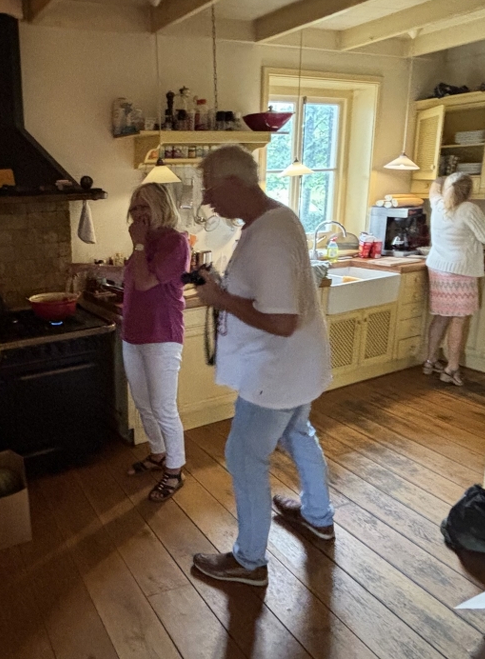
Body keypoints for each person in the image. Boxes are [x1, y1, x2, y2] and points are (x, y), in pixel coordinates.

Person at [188, 145, 335, 587]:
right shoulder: (276, 219)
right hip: (297, 367)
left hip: (275, 374)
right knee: (298, 433)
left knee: (244, 456)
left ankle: (249, 562)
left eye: (210, 189)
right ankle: (318, 517)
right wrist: (224, 289)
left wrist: (219, 298)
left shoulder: (269, 235)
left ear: (235, 183)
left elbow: (282, 321)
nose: (207, 200)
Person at [122, 182, 191, 501]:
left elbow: (145, 281)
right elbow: (128, 276)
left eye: (145, 206)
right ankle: (158, 453)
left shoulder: (175, 242)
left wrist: (137, 244)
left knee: (163, 407)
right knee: (143, 402)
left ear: (162, 207)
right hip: (133, 333)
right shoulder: (144, 242)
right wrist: (88, 268)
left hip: (162, 334)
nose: (138, 213)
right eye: (134, 207)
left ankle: (175, 471)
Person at [423, 172, 485, 386]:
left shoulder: (438, 205)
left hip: (438, 268)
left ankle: (430, 361)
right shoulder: (469, 209)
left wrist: (440, 179)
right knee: (458, 319)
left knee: (441, 316)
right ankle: (451, 368)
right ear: (469, 191)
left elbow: (433, 189)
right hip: (460, 271)